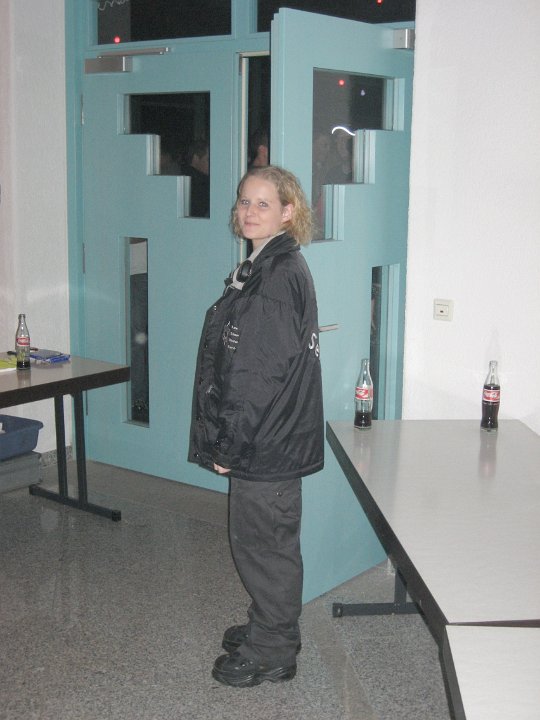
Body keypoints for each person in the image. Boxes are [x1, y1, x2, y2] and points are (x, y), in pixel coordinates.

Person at [189, 165, 324, 687]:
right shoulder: (267, 264)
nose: (248, 211)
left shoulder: (276, 276)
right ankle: (270, 624)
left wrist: (228, 444)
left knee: (264, 546)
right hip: (271, 434)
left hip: (265, 439)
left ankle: (272, 650)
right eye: (244, 201)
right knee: (265, 541)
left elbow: (255, 375)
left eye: (263, 203)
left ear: (288, 211)